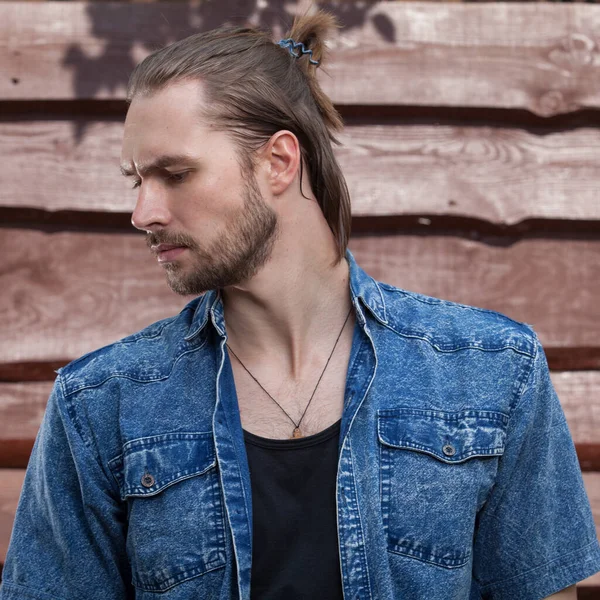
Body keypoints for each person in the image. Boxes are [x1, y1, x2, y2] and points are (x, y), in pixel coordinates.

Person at [1, 8, 599, 600]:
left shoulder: (491, 373)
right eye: (137, 180)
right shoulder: (101, 405)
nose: (144, 213)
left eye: (175, 174)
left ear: (279, 162)